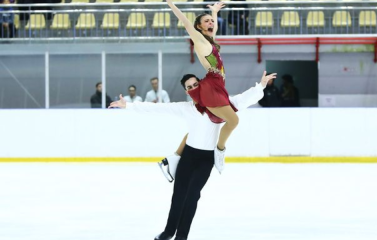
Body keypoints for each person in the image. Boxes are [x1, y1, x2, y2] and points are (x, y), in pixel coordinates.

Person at [109, 71, 277, 240]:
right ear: (186, 92)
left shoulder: (221, 105)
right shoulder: (186, 108)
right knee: (178, 195)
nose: (193, 88)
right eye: (189, 87)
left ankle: (181, 236)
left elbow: (242, 99)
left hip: (206, 160)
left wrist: (261, 85)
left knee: (192, 196)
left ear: (202, 85)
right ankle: (168, 232)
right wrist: (128, 105)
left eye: (195, 84)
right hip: (188, 156)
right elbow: (158, 108)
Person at [166, 0, 238, 169]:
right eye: (206, 21)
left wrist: (214, 12)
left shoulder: (210, 41)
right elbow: (185, 21)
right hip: (211, 87)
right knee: (233, 121)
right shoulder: (199, 40)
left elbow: (215, 29)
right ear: (198, 27)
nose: (211, 23)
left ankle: (175, 157)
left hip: (217, 85)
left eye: (211, 21)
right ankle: (219, 150)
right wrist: (171, 4)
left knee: (202, 125)